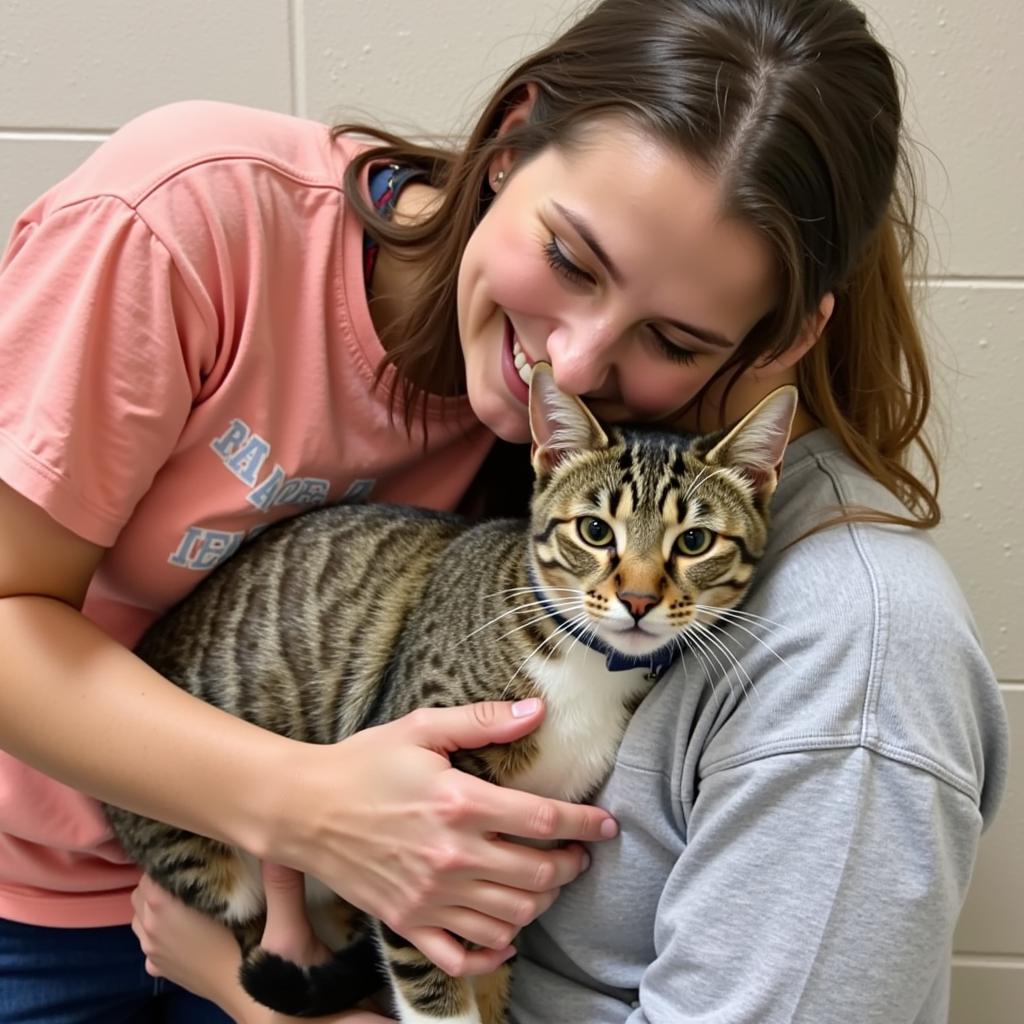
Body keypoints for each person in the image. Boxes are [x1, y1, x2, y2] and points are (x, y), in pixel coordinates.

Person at [0, 0, 1008, 1021]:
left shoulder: (647, 469)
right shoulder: (182, 222)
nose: (570, 363)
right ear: (510, 141)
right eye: (571, 260)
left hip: (307, 920)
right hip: (40, 892)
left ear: (771, 342)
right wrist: (311, 809)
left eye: (675, 338)